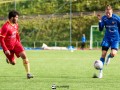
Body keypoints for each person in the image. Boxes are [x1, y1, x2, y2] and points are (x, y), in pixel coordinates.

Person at [0, 10, 33, 79]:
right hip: (8, 47)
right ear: (12, 18)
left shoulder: (16, 24)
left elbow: (17, 34)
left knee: (24, 56)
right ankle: (9, 59)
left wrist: (19, 42)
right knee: (13, 63)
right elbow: (1, 39)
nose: (17, 19)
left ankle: (28, 73)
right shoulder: (5, 27)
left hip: (16, 44)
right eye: (16, 17)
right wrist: (5, 49)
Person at [94, 5, 120, 78]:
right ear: (105, 12)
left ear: (111, 11)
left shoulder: (117, 18)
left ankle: (109, 57)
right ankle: (100, 71)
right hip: (107, 38)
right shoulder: (104, 18)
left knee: (113, 54)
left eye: (109, 13)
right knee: (103, 54)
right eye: (106, 13)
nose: (107, 14)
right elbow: (100, 29)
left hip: (116, 39)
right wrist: (99, 20)